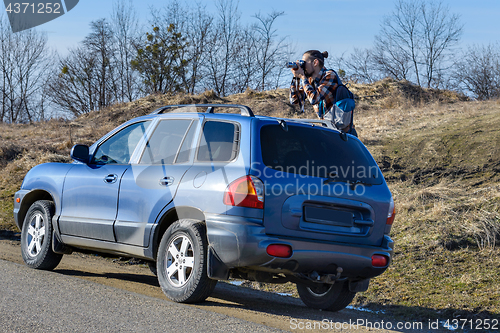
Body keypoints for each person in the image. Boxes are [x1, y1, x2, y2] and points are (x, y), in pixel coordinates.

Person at [289, 50, 357, 136]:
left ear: (315, 62)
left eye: (304, 63)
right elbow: (294, 100)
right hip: (329, 131)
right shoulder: (309, 81)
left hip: (344, 134)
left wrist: (303, 77)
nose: (302, 66)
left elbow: (314, 98)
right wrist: (296, 78)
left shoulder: (329, 75)